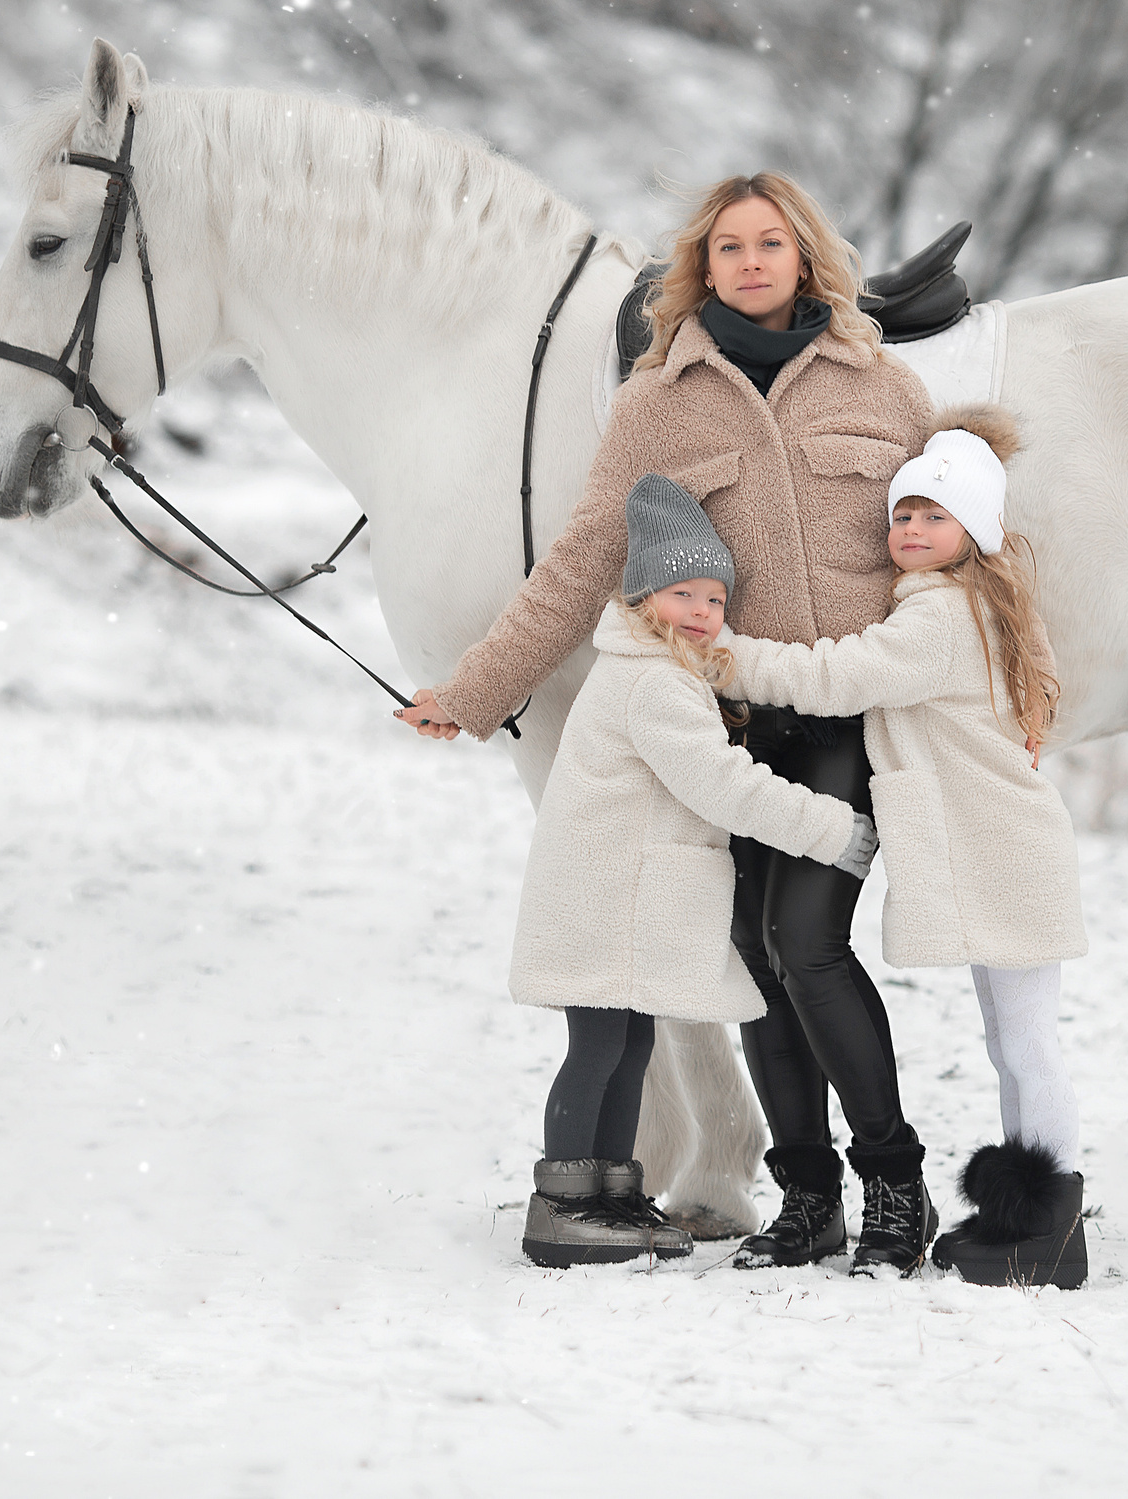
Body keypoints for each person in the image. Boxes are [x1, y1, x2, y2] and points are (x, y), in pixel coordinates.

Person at [401, 173, 941, 1273]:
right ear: (703, 266)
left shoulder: (884, 386)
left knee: (808, 945)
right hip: (724, 723)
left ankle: (896, 1184)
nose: (750, 262)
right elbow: (585, 557)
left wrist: (1005, 688)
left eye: (770, 243)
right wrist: (473, 691)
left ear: (804, 256)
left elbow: (956, 556)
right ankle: (807, 1198)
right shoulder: (656, 401)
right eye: (729, 246)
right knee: (752, 960)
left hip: (841, 715)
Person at [721, 410, 1092, 1288]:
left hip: (1005, 853)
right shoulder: (978, 605)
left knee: (1027, 1043)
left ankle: (1052, 1228)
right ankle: (1032, 1218)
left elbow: (834, 675)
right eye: (903, 514)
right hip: (1001, 846)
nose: (912, 529)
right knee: (1013, 1039)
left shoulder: (938, 619)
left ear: (978, 530)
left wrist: (725, 656)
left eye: (935, 515)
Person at [502, 475, 880, 1267]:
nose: (704, 610)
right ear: (644, 599)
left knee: (628, 1045)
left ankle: (610, 1192)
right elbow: (722, 784)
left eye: (715, 597)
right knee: (598, 1049)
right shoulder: (653, 682)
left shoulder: (661, 669)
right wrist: (827, 828)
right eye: (684, 594)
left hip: (619, 897)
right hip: (608, 897)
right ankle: (563, 1204)